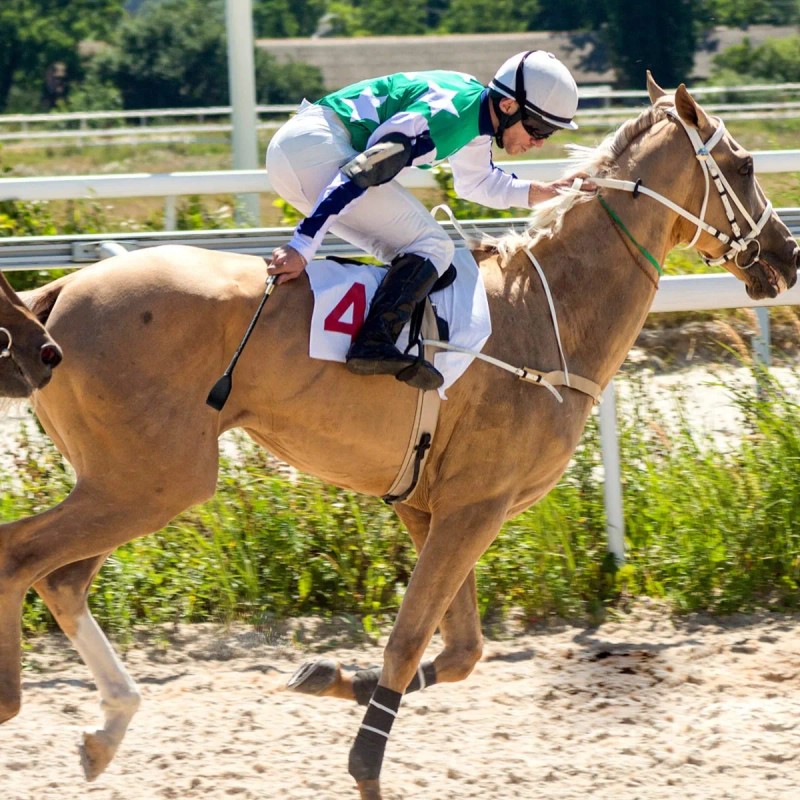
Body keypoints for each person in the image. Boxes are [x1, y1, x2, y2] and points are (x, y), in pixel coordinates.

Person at [266, 50, 593, 391]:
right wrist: (302, 244)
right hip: (314, 150)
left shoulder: (474, 112)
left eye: (549, 133)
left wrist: (551, 191)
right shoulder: (450, 119)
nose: (539, 142)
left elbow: (477, 182)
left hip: (299, 151)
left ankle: (363, 334)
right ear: (509, 106)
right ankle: (373, 343)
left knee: (420, 258)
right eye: (537, 128)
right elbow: (362, 172)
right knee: (433, 247)